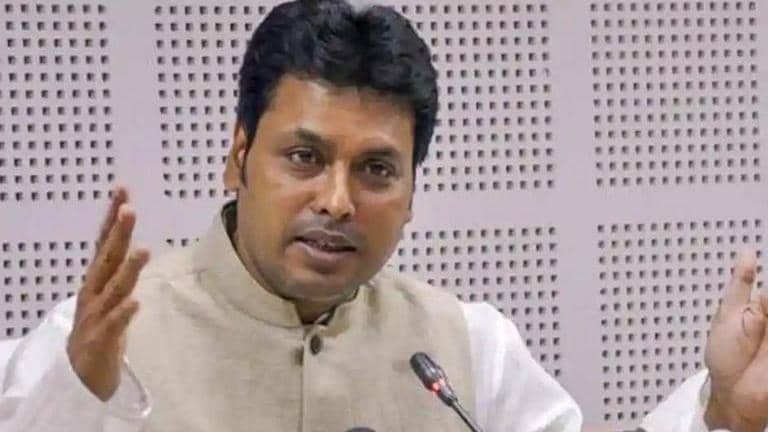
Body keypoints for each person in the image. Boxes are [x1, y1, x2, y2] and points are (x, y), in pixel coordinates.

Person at [2, 1, 768, 431]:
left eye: (375, 170)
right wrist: (72, 400)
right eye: (304, 157)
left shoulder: (468, 351)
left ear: (409, 193)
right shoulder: (92, 343)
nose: (338, 201)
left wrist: (723, 417)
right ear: (238, 158)